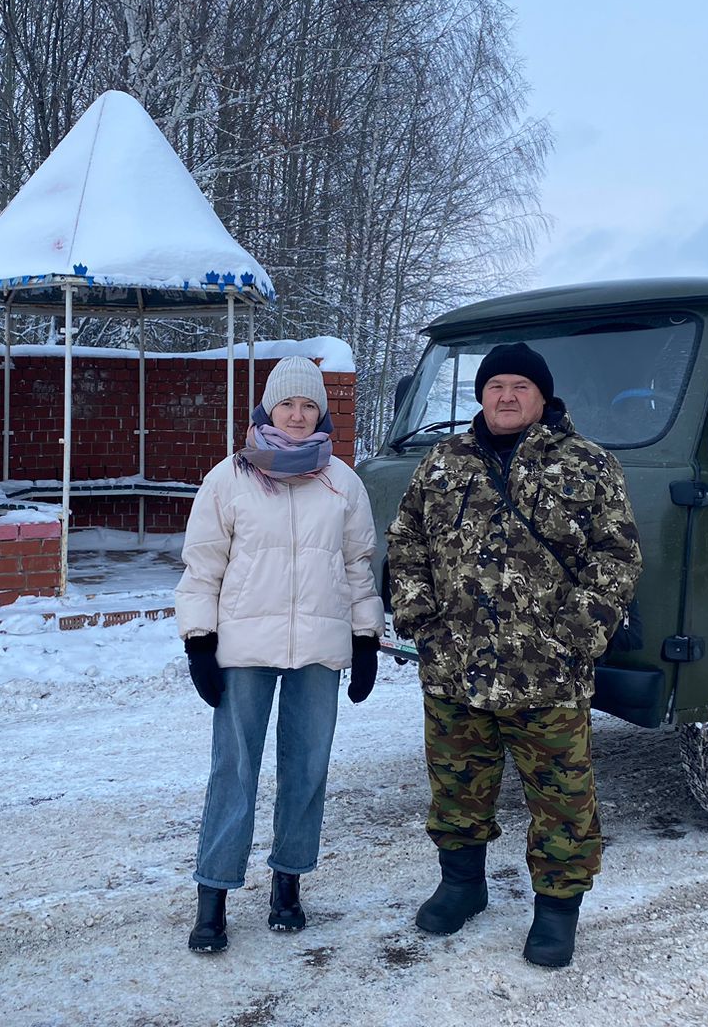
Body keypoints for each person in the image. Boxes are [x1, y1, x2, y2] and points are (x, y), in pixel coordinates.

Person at [386, 342, 642, 969]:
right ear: (480, 394)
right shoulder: (443, 464)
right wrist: (419, 617)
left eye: (519, 387)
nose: (505, 396)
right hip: (455, 669)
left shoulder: (586, 464)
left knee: (561, 799)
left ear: (542, 397)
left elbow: (618, 558)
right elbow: (406, 542)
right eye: (495, 384)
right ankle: (461, 885)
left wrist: (577, 636)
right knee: (456, 789)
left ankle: (557, 910)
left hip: (547, 676)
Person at [175, 354, 384, 954]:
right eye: (287, 403)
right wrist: (199, 640)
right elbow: (203, 567)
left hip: (319, 649)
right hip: (244, 649)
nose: (297, 414)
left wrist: (365, 638)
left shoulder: (342, 481)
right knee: (233, 770)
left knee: (308, 767)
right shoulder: (230, 478)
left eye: (309, 405)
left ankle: (287, 883)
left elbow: (357, 567)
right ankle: (213, 894)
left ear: (321, 412)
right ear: (268, 408)